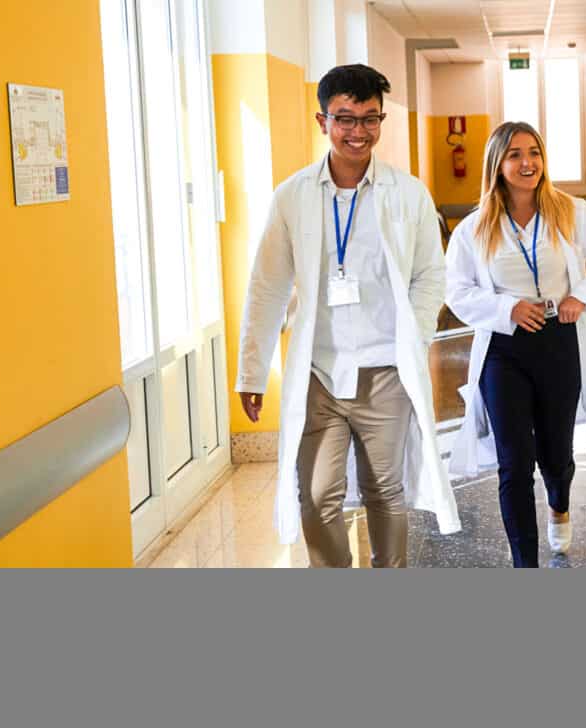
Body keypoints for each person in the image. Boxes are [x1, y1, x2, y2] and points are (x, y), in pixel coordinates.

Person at [236, 64, 459, 567]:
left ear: (381, 121)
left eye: (369, 118)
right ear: (322, 121)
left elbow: (431, 274)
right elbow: (267, 286)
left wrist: (415, 337)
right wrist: (251, 372)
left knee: (385, 492)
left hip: (386, 370)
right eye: (345, 118)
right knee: (316, 497)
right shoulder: (292, 196)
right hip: (319, 372)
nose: (358, 131)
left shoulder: (408, 194)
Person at [446, 122, 586, 567]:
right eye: (514, 154)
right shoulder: (474, 229)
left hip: (558, 342)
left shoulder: (570, 211)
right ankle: (524, 564)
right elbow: (457, 290)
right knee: (513, 464)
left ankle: (559, 503)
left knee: (556, 454)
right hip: (504, 351)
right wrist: (506, 309)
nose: (527, 162)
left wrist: (581, 297)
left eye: (534, 152)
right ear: (497, 164)